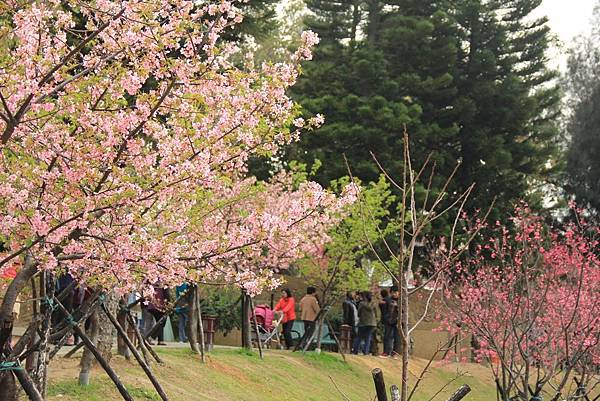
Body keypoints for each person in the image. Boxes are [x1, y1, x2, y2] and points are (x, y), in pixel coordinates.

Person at [352, 291, 377, 355]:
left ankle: (355, 350)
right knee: (368, 337)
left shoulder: (361, 303)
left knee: (359, 336)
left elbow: (358, 313)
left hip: (363, 323)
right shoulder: (373, 303)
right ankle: (366, 351)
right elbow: (375, 312)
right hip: (372, 323)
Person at [381, 285, 400, 358]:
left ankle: (395, 353)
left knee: (397, 338)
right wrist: (385, 319)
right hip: (388, 321)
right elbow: (384, 311)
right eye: (393, 292)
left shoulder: (401, 300)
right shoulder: (387, 300)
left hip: (397, 321)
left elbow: (404, 311)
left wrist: (397, 306)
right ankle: (386, 352)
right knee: (387, 336)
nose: (394, 294)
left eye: (396, 292)